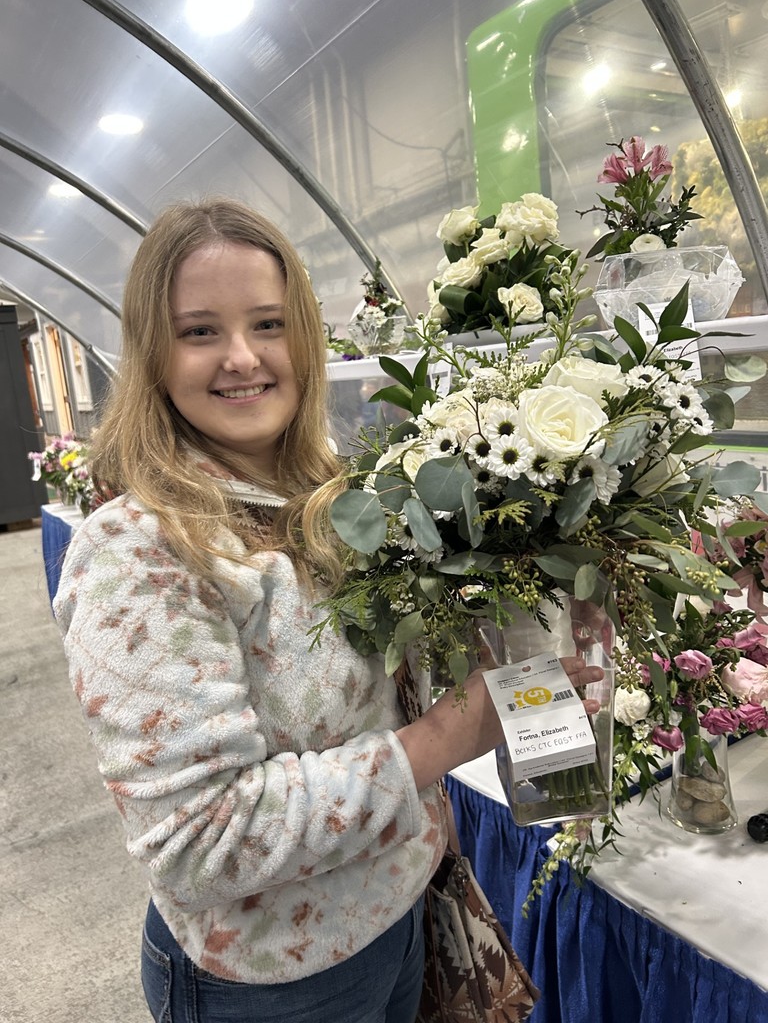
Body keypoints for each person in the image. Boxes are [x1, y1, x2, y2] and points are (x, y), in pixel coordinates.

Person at [53, 198, 602, 1023]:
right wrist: (453, 733)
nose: (243, 357)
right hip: (274, 982)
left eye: (268, 323)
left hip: (395, 918)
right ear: (152, 353)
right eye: (200, 331)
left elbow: (368, 688)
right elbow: (202, 838)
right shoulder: (140, 550)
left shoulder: (325, 497)